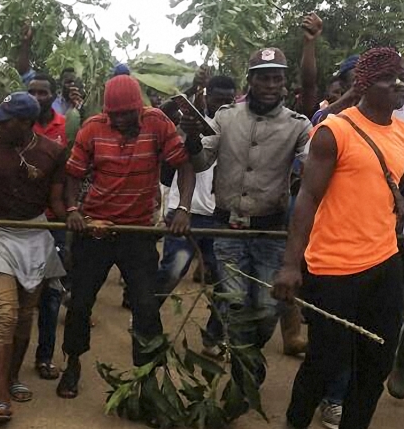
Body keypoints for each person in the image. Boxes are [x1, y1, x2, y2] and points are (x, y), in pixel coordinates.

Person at [273, 46, 404, 429]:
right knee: (325, 361)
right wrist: (289, 265)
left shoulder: (400, 133)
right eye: (387, 77)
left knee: (375, 362)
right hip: (333, 268)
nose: (397, 84)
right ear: (364, 84)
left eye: (400, 75)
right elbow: (308, 198)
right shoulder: (335, 131)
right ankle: (296, 422)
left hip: (385, 262)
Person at [181, 47, 310, 399]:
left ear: (284, 83)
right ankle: (242, 376)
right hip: (229, 230)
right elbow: (202, 161)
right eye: (263, 77)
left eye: (277, 78)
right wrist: (191, 136)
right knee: (236, 303)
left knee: (268, 309)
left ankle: (247, 361)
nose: (271, 84)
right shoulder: (225, 118)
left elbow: (312, 171)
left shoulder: (298, 125)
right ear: (250, 81)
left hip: (270, 231)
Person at [59, 74, 195, 399]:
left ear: (139, 107)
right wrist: (73, 211)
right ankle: (73, 363)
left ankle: (146, 376)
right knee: (79, 304)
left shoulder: (157, 123)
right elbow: (73, 176)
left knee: (146, 307)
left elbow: (185, 166)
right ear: (107, 112)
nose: (121, 120)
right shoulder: (92, 128)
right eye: (115, 115)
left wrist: (184, 209)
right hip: (96, 230)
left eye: (127, 114)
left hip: (138, 232)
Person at [0, 93, 67, 423]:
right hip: (1, 235)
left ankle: (13, 376)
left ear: (24, 123)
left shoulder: (52, 151)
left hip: (36, 235)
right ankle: (1, 397)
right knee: (4, 314)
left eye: (4, 120)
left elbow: (57, 200)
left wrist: (78, 219)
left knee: (24, 316)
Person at [155, 75, 236, 354]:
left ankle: (214, 336)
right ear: (208, 96)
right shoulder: (189, 125)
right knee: (173, 270)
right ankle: (146, 316)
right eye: (218, 98)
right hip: (185, 211)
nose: (224, 104)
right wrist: (182, 208)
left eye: (230, 98)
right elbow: (167, 117)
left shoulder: (237, 127)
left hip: (222, 216)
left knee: (225, 278)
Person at [23, 73, 68, 381]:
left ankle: (45, 356)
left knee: (52, 293)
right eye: (32, 91)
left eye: (43, 92)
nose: (38, 97)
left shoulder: (67, 127)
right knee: (19, 293)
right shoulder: (16, 125)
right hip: (20, 222)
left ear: (54, 95)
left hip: (55, 221)